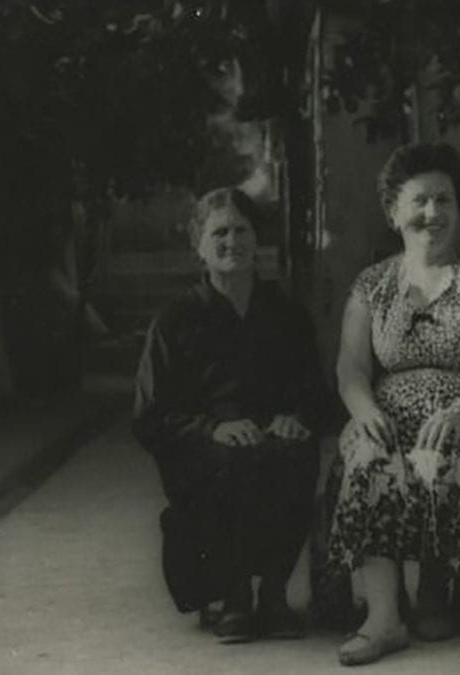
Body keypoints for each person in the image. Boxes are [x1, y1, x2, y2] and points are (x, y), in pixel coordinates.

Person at [327, 142, 460, 666]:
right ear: (394, 212)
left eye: (444, 201)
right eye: (419, 202)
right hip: (386, 417)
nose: (433, 214)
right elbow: (351, 365)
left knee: (439, 460)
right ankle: (384, 616)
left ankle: (436, 592)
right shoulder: (372, 286)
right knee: (369, 461)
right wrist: (364, 411)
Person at [132, 187, 325, 643]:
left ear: (258, 240)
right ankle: (235, 595)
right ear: (198, 244)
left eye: (242, 230)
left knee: (293, 449)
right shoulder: (174, 320)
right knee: (232, 460)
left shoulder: (287, 315)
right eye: (219, 231)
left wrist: (293, 416)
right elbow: (149, 415)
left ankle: (274, 594)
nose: (231, 241)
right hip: (204, 452)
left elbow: (318, 394)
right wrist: (212, 428)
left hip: (272, 443)